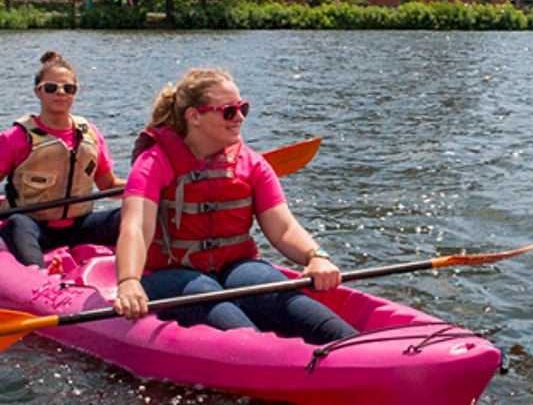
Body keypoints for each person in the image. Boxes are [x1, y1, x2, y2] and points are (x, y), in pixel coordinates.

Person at [112, 68, 358, 345]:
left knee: (291, 303)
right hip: (170, 275)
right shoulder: (154, 162)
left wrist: (316, 256)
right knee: (220, 308)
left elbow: (284, 227)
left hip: (236, 267)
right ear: (194, 116)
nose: (239, 117)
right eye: (229, 111)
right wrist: (129, 280)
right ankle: (267, 362)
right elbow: (135, 226)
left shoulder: (252, 164)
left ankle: (354, 349)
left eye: (243, 108)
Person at [0, 51, 126, 268]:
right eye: (51, 88)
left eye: (68, 88)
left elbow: (109, 185)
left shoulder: (90, 135)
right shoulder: (15, 138)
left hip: (80, 226)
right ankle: (38, 279)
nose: (60, 93)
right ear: (37, 92)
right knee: (17, 223)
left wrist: (152, 186)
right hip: (34, 226)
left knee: (128, 215)